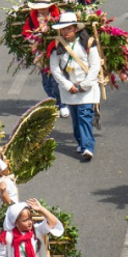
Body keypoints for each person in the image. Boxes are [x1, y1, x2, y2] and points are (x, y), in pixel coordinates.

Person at [49, 12, 102, 162]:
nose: (66, 32)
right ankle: (81, 142)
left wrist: (85, 85)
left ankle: (87, 147)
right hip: (69, 89)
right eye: (63, 29)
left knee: (84, 115)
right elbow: (54, 68)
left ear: (75, 28)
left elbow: (95, 66)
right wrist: (67, 85)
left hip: (87, 89)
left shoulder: (88, 43)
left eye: (68, 28)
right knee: (76, 118)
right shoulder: (57, 45)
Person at [22, 0, 65, 116]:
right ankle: (54, 102)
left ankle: (61, 104)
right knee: (46, 81)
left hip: (57, 50)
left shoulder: (57, 15)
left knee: (55, 79)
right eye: (39, 7)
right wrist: (35, 39)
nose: (41, 9)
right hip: (41, 53)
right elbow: (26, 33)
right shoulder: (32, 17)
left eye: (44, 7)